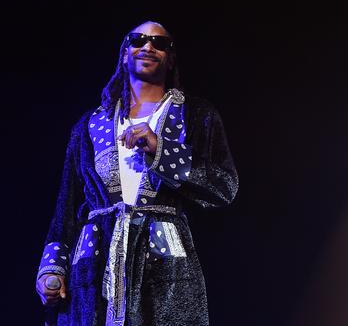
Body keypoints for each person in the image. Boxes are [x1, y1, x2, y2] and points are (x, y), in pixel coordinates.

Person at [35, 21, 239, 325]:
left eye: (159, 43)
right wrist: (54, 266)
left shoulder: (196, 116)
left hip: (164, 264)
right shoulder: (90, 125)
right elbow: (67, 203)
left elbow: (224, 184)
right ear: (124, 53)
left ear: (171, 58)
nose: (148, 47)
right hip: (96, 259)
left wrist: (161, 149)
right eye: (138, 40)